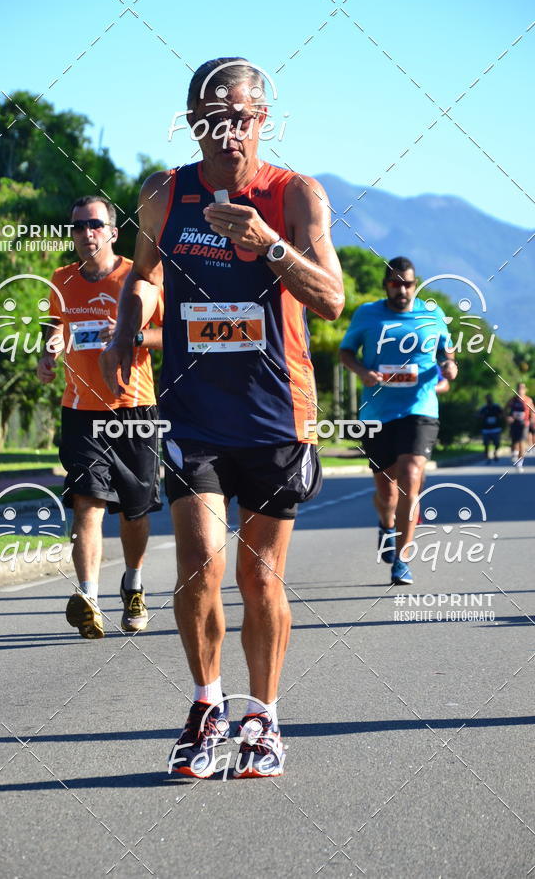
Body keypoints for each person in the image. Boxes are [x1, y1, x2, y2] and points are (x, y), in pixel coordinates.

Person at [101, 58, 344, 778]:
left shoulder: (294, 193)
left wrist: (266, 245)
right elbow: (144, 278)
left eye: (240, 115)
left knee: (260, 578)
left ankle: (263, 718)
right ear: (191, 121)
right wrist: (123, 325)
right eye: (212, 115)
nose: (227, 129)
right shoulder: (163, 194)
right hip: (192, 413)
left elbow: (331, 297)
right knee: (199, 566)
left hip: (275, 414)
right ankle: (207, 706)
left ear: (262, 119)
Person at [37, 195, 162, 639]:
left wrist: (133, 335)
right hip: (80, 411)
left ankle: (133, 585)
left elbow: (173, 335)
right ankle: (88, 597)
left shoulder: (139, 276)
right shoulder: (61, 279)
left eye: (94, 224)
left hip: (134, 408)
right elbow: (53, 325)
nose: (85, 233)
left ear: (112, 231)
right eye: (76, 226)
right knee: (87, 502)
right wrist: (47, 353)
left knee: (134, 511)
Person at [339, 256, 458, 585]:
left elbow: (447, 357)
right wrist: (363, 372)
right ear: (385, 285)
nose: (402, 289)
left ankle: (403, 559)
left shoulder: (432, 315)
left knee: (410, 475)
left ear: (415, 285)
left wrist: (449, 370)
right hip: (376, 412)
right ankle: (386, 525)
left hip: (420, 408)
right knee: (386, 493)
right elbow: (345, 352)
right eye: (395, 283)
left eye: (407, 283)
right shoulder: (367, 314)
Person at [505, 382, 534, 472]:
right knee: (515, 442)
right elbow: (505, 410)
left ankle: (519, 463)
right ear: (516, 389)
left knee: (522, 442)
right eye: (519, 388)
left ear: (525, 390)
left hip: (524, 424)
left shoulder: (528, 400)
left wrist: (532, 420)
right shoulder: (513, 400)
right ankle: (514, 453)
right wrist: (508, 417)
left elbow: (533, 411)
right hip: (514, 424)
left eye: (522, 388)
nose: (520, 390)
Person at [479, 394, 503, 462]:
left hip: (495, 428)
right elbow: (479, 415)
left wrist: (499, 417)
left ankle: (495, 452)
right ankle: (487, 456)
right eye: (487, 398)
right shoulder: (483, 408)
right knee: (486, 443)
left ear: (492, 399)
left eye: (490, 398)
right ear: (486, 399)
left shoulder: (496, 407)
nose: (489, 400)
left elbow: (502, 414)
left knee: (497, 443)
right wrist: (482, 417)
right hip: (486, 429)